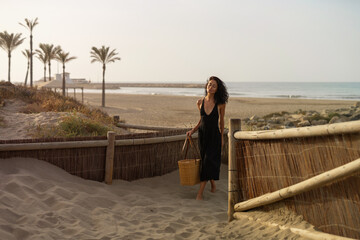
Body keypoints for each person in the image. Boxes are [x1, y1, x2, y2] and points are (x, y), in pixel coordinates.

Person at [186, 76, 229, 200]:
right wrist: (192, 130)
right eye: (209, 84)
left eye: (214, 86)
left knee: (207, 162)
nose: (211, 87)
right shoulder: (199, 102)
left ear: (217, 89)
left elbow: (221, 122)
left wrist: (221, 138)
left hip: (214, 135)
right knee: (205, 161)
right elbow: (201, 120)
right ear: (206, 86)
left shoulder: (221, 104)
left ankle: (199, 193)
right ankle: (213, 184)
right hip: (203, 135)